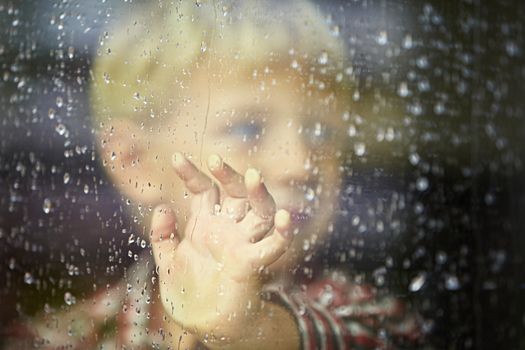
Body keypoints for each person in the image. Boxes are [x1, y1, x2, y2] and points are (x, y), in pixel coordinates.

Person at [4, 1, 422, 348]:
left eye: (322, 133)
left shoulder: (369, 317)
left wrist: (250, 326)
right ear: (134, 160)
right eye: (248, 129)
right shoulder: (57, 340)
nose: (300, 164)